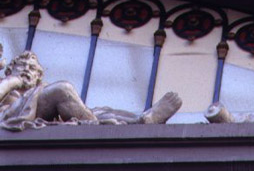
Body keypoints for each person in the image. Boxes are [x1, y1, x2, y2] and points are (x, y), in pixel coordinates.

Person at [0, 46, 181, 131]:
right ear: (9, 69)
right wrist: (13, 81)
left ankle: (139, 121)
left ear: (38, 77)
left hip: (34, 110)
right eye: (21, 66)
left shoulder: (38, 92)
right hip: (11, 117)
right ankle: (97, 128)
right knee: (62, 89)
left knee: (100, 111)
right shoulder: (8, 86)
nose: (27, 70)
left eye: (32, 68)